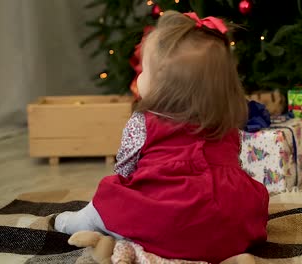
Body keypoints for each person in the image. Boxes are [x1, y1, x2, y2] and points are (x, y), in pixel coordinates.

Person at [54, 10, 269, 264]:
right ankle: (227, 255)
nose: (140, 77)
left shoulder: (142, 122)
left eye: (143, 70)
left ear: (164, 88)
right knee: (243, 202)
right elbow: (234, 164)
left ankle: (75, 222)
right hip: (227, 226)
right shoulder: (227, 124)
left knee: (110, 195)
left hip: (169, 221)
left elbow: (125, 167)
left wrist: (129, 190)